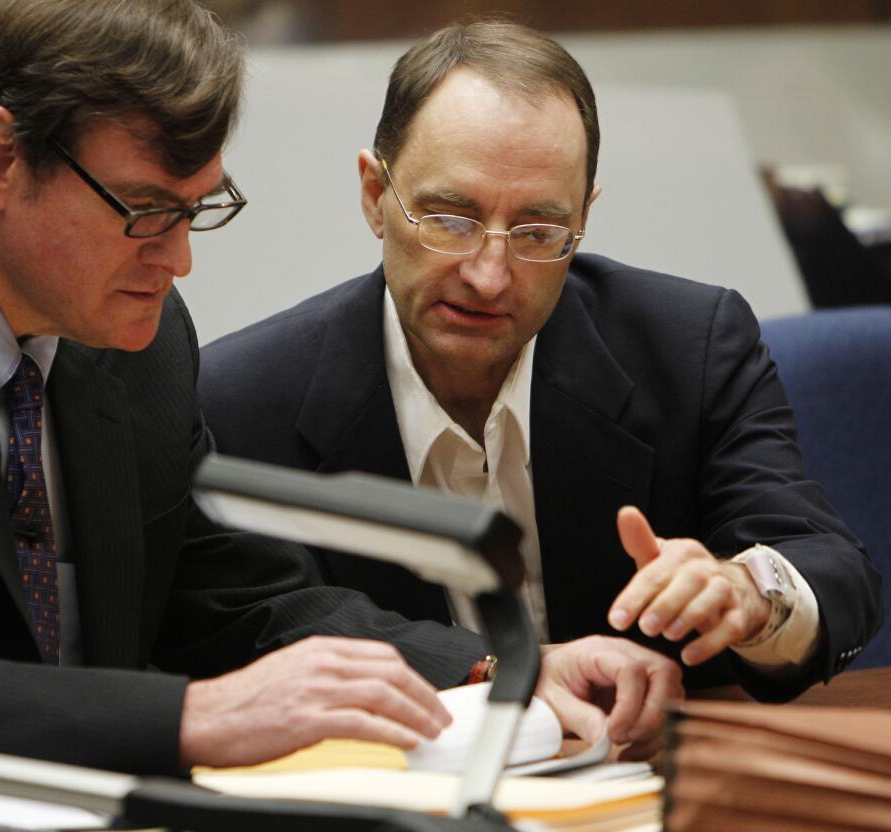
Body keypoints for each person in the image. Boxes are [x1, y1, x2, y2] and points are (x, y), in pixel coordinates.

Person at [0, 0, 679, 775]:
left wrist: (505, 667)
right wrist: (192, 714)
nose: (178, 263)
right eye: (146, 211)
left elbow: (234, 593)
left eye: (198, 211)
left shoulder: (138, 332)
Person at [198, 18, 883, 703]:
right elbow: (254, 619)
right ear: (376, 195)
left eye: (538, 232)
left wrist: (751, 596)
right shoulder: (242, 400)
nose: (490, 275)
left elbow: (831, 570)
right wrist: (495, 672)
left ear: (584, 216)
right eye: (450, 219)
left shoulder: (691, 349)